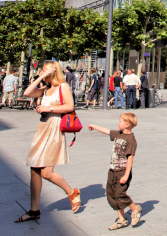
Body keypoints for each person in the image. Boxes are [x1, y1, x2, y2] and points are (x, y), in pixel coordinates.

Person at [15, 60, 81, 223]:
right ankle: (34, 210)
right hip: (42, 128)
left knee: (46, 172)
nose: (41, 71)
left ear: (53, 71)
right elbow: (27, 93)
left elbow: (70, 106)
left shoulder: (63, 87)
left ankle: (71, 192)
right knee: (34, 169)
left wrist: (48, 108)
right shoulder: (46, 88)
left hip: (54, 128)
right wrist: (40, 78)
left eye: (44, 70)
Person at [88, 113, 142, 229]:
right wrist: (95, 127)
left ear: (127, 125)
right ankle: (121, 219)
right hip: (112, 170)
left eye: (120, 121)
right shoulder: (118, 134)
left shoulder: (131, 140)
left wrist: (126, 175)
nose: (118, 123)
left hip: (122, 171)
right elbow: (106, 131)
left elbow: (130, 158)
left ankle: (135, 208)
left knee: (119, 194)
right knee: (111, 195)